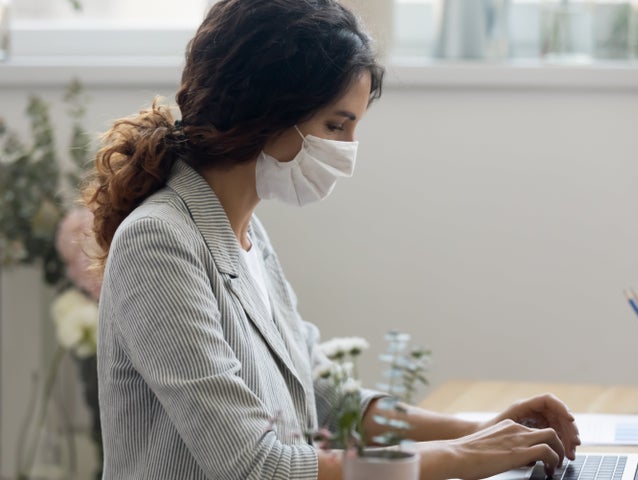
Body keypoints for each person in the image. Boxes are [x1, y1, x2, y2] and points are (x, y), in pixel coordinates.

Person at [82, 1, 581, 479]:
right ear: (265, 107)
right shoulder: (158, 244)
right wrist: (459, 456)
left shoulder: (244, 233)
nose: (347, 150)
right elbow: (259, 468)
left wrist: (484, 431)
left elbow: (327, 399)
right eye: (335, 125)